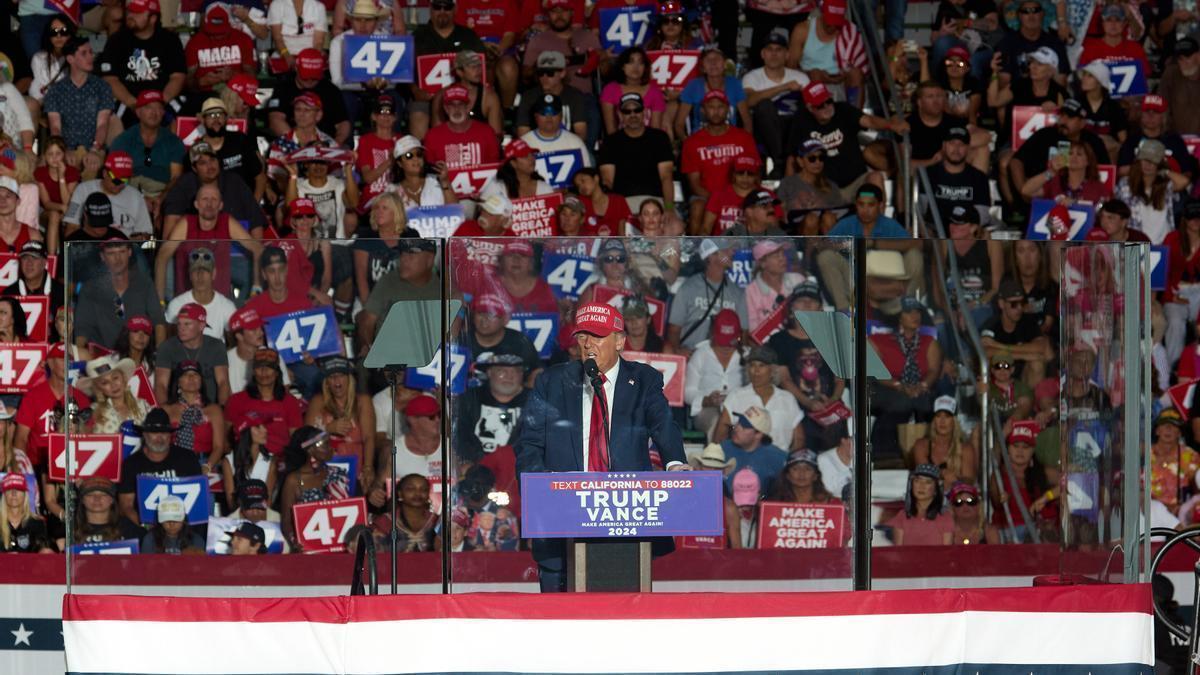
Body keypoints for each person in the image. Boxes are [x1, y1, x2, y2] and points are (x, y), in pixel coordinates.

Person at [515, 303, 688, 592]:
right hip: (563, 520)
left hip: (625, 522)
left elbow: (663, 424)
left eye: (597, 336)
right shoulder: (552, 382)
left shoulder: (643, 379)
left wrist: (675, 463)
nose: (587, 344)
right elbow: (529, 444)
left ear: (620, 341)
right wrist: (540, 493)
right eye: (582, 336)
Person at [99, 0, 186, 133]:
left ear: (153, 18)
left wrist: (159, 103)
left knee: (181, 115)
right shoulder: (116, 41)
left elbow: (178, 77)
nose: (130, 15)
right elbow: (110, 79)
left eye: (137, 12)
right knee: (112, 117)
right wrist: (134, 104)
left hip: (163, 99)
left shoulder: (170, 40)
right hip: (129, 101)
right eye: (129, 11)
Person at [117, 408, 203, 526]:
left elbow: (198, 502)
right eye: (154, 432)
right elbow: (126, 506)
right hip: (144, 528)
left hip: (184, 527)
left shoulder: (187, 458)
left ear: (170, 435)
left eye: (164, 432)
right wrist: (145, 529)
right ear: (145, 434)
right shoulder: (131, 464)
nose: (159, 437)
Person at [742, 31, 809, 178]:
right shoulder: (752, 77)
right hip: (765, 129)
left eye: (779, 50)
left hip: (792, 127)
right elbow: (749, 101)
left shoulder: (801, 78)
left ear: (787, 55)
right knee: (764, 105)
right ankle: (780, 162)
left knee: (806, 107)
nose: (774, 54)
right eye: (769, 50)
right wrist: (783, 87)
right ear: (762, 54)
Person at [305, 356, 376, 491]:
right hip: (326, 469)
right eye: (332, 377)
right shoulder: (318, 401)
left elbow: (369, 438)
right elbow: (305, 443)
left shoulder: (362, 401)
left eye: (341, 375)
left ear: (350, 379)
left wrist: (368, 468)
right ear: (326, 382)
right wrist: (326, 429)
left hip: (356, 469)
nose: (337, 381)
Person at [715, 346, 805, 451]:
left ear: (773, 370)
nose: (756, 371)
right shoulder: (736, 396)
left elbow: (799, 439)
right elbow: (721, 435)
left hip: (779, 461)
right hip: (744, 460)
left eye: (762, 366)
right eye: (752, 365)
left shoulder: (787, 399)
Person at [667, 239, 748, 356]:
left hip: (723, 360)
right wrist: (679, 351)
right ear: (712, 255)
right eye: (727, 250)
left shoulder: (738, 293)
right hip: (691, 356)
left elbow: (743, 334)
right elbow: (674, 330)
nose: (732, 252)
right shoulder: (688, 288)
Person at [597, 92, 675, 210]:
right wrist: (613, 210)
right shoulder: (610, 142)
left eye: (637, 110)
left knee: (675, 227)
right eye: (627, 112)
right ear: (620, 115)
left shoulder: (660, 138)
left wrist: (669, 208)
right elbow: (607, 181)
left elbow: (666, 176)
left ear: (644, 112)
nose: (633, 115)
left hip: (656, 201)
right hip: (624, 202)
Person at [109, 89, 185, 211]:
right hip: (131, 189)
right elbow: (116, 177)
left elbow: (176, 177)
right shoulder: (123, 140)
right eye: (148, 107)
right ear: (138, 112)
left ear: (163, 113)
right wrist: (139, 198)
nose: (154, 112)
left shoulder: (173, 141)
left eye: (159, 108)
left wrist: (161, 198)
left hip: (162, 190)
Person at [280, 427, 351, 550]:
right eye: (326, 445)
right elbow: (286, 522)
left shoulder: (339, 474)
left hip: (341, 545)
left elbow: (352, 508)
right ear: (311, 449)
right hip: (310, 549)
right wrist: (295, 542)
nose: (331, 449)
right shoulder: (294, 480)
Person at [43, 37, 113, 159]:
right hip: (66, 149)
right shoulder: (55, 90)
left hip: (95, 148)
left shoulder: (102, 87)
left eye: (91, 52)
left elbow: (102, 124)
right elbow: (55, 128)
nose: (90, 57)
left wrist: (95, 149)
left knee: (92, 165)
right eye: (84, 53)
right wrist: (63, 151)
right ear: (70, 59)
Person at [63, 151, 154, 240]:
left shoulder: (136, 197)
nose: (120, 185)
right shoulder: (82, 190)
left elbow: (146, 233)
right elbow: (71, 226)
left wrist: (132, 241)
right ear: (105, 173)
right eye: (116, 180)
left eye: (125, 181)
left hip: (123, 248)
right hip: (91, 245)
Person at [991, 420, 1056, 542]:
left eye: (1026, 447)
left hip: (1041, 536)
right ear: (1007, 449)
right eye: (1015, 446)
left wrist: (1050, 496)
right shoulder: (999, 474)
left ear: (1033, 450)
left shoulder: (1044, 472)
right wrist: (1003, 434)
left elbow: (1068, 481)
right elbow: (994, 458)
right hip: (1009, 534)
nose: (1020, 451)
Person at [154, 303, 230, 405]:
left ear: (201, 326)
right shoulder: (167, 347)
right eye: (179, 324)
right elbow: (160, 385)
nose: (181, 328)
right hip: (177, 410)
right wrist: (166, 413)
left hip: (209, 409)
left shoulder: (216, 346)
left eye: (187, 324)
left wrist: (222, 410)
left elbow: (223, 383)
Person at [161, 360, 227, 474]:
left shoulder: (214, 410)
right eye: (186, 374)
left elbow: (219, 447)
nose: (191, 378)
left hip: (204, 463)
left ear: (201, 380)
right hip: (171, 462)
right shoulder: (166, 409)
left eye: (195, 374)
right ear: (178, 381)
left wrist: (207, 467)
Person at [163, 247, 239, 339]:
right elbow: (170, 343)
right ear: (190, 275)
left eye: (205, 271)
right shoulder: (177, 305)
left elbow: (235, 343)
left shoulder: (227, 306)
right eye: (195, 271)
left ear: (213, 274)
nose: (200, 275)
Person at [719, 406, 788, 494]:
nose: (736, 428)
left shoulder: (777, 458)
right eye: (738, 422)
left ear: (758, 434)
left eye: (744, 427)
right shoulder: (722, 449)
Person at [911, 395, 977, 486]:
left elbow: (969, 480)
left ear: (954, 420)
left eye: (947, 416)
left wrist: (954, 481)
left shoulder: (966, 448)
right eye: (938, 416)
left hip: (955, 495)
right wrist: (943, 473)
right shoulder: (921, 445)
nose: (942, 421)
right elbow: (924, 473)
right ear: (934, 420)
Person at [79, 353, 150, 434]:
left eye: (115, 378)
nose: (113, 385)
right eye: (105, 383)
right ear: (98, 389)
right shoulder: (93, 412)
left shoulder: (143, 405)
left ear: (124, 378)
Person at [888, 464, 953, 545]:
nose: (921, 486)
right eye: (917, 481)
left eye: (928, 482)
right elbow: (898, 552)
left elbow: (947, 552)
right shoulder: (902, 516)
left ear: (936, 488)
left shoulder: (945, 517)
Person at [73, 476, 145, 546]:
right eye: (90, 494)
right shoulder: (70, 529)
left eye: (103, 494)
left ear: (112, 499)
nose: (97, 499)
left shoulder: (128, 529)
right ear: (82, 499)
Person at [767, 449, 839, 504]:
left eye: (808, 469)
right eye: (795, 469)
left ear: (816, 476)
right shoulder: (774, 503)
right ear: (787, 475)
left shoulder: (832, 503)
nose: (801, 473)